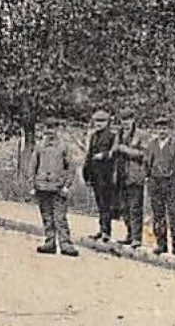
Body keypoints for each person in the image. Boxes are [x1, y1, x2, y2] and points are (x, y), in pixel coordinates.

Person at [144, 117, 175, 256]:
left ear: (169, 130)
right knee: (158, 216)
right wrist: (149, 178)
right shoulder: (151, 146)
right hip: (156, 184)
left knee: (174, 215)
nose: (162, 131)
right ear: (155, 130)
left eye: (164, 128)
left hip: (171, 185)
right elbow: (146, 164)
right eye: (159, 128)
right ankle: (161, 244)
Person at [31, 120, 78, 256]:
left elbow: (71, 168)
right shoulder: (39, 147)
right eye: (47, 128)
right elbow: (33, 167)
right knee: (47, 216)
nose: (50, 131)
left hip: (58, 187)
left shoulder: (63, 147)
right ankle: (50, 242)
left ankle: (65, 244)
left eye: (52, 128)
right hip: (42, 187)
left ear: (57, 130)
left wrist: (67, 185)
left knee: (60, 217)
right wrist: (33, 185)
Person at [111, 112, 146, 249]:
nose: (125, 122)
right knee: (124, 207)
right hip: (121, 175)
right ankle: (129, 234)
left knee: (135, 207)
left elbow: (144, 154)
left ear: (133, 120)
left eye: (128, 119)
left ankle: (137, 237)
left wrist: (126, 150)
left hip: (135, 176)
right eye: (123, 120)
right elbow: (114, 150)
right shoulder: (118, 135)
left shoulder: (141, 135)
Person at [81, 109, 117, 242]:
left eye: (102, 121)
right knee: (100, 204)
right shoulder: (94, 136)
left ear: (108, 122)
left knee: (106, 204)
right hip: (95, 175)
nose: (98, 124)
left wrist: (104, 155)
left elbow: (115, 154)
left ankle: (106, 232)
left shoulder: (112, 136)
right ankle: (101, 230)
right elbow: (89, 155)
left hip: (106, 174)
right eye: (96, 121)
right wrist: (86, 173)